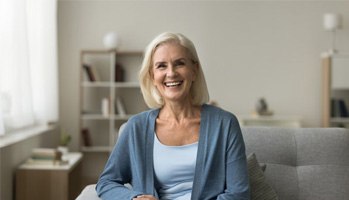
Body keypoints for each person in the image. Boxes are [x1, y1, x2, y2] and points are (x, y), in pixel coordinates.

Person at [96, 32, 250, 200]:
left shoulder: (225, 124)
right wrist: (133, 198)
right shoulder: (136, 127)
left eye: (180, 64)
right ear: (152, 76)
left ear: (194, 71)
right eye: (161, 66)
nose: (171, 73)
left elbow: (238, 194)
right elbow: (106, 182)